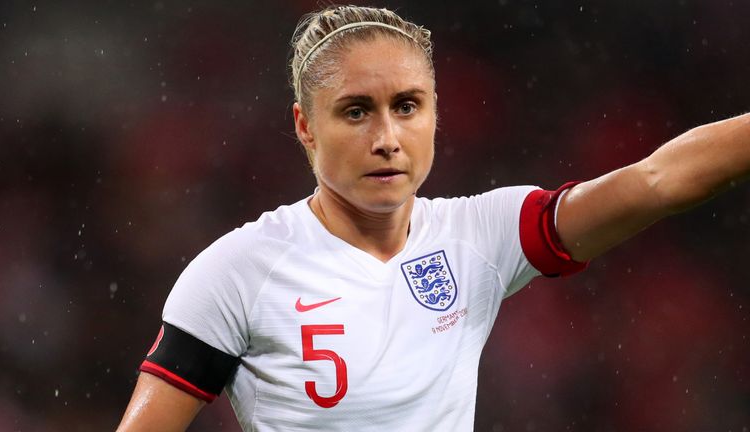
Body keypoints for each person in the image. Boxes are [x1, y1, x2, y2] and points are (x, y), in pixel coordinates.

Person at [116, 5, 750, 431]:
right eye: (357, 111)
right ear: (305, 126)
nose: (388, 137)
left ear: (436, 113)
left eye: (408, 106)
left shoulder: (482, 236)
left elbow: (658, 179)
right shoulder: (238, 273)